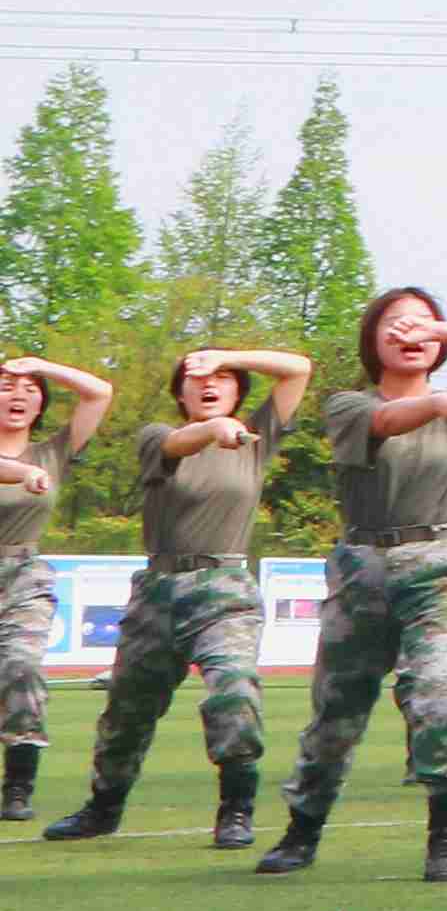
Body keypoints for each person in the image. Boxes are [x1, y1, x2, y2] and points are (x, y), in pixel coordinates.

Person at [262, 288, 447, 882]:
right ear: (371, 339)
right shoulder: (348, 405)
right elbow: (386, 421)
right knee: (337, 711)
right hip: (364, 566)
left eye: (420, 325)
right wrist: (436, 403)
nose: (408, 334)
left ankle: (446, 841)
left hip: (444, 565)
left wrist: (440, 328)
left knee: (443, 698)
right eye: (393, 324)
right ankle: (302, 830)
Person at [44, 342, 306, 849]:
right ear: (179, 392)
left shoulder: (256, 438)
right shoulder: (158, 437)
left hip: (225, 588)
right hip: (160, 590)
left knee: (234, 691)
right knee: (127, 712)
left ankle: (236, 808)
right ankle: (103, 807)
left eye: (223, 378)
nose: (208, 384)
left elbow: (298, 370)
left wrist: (229, 356)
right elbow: (179, 445)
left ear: (239, 388)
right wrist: (213, 429)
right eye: (194, 377)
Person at [0, 349, 118, 821]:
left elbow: (100, 392)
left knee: (21, 667)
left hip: (23, 574)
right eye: (7, 384)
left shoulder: (52, 451)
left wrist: (38, 366)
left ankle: (18, 784)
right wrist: (22, 473)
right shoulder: (32, 466)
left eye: (30, 390)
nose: (19, 393)